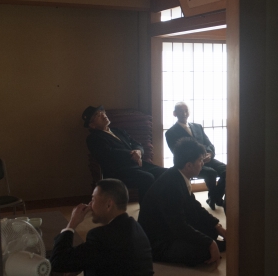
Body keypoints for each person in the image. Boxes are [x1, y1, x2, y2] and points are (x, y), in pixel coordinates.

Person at [138, 138, 227, 266]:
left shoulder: (179, 175)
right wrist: (210, 243)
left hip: (170, 227)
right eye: (200, 160)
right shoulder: (170, 186)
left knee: (211, 230)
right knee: (204, 251)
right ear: (189, 165)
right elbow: (179, 226)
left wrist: (217, 226)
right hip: (159, 240)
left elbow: (195, 206)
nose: (202, 164)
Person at [83, 105, 165, 202]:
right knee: (147, 178)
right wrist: (132, 154)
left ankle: (163, 204)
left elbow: (137, 144)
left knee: (164, 173)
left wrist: (138, 151)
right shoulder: (93, 138)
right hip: (119, 171)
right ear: (92, 125)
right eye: (97, 115)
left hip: (137, 164)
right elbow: (109, 154)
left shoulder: (118, 131)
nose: (103, 114)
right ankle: (146, 209)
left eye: (102, 112)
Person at [165, 102, 226, 210]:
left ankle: (214, 197)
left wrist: (210, 154)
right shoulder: (171, 133)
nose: (184, 113)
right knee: (211, 173)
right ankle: (214, 198)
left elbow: (209, 144)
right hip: (190, 164)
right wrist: (198, 158)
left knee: (227, 170)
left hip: (207, 159)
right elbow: (178, 153)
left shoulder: (197, 126)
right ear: (174, 113)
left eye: (186, 110)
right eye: (181, 111)